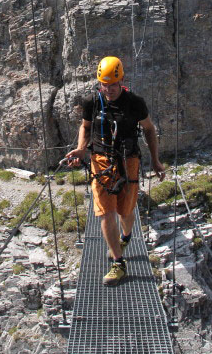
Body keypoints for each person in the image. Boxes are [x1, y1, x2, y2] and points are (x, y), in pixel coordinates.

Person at [65, 56, 165, 286]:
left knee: (125, 211)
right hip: (100, 161)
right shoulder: (92, 102)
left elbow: (149, 130)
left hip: (128, 160)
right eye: (103, 84)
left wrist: (156, 161)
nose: (108, 89)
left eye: (112, 84)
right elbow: (86, 127)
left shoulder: (135, 103)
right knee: (105, 212)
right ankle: (118, 263)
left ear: (121, 81)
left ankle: (126, 237)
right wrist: (81, 150)